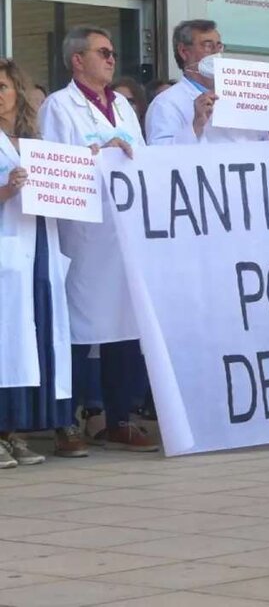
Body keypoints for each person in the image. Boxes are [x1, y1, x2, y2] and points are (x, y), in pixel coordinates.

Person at [38, 25, 158, 452]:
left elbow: (142, 158)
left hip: (123, 231)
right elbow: (54, 166)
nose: (111, 59)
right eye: (103, 52)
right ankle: (67, 423)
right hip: (83, 235)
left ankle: (119, 417)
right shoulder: (59, 106)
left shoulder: (123, 107)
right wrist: (95, 154)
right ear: (77, 60)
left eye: (111, 53)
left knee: (126, 324)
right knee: (77, 328)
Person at [0, 58, 83, 464]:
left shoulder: (35, 142)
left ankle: (14, 431)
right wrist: (6, 190)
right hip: (7, 254)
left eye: (1, 86)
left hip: (37, 251)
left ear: (17, 91)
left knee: (30, 340)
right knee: (5, 343)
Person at [145, 19, 269, 145]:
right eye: (208, 46)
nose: (216, 53)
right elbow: (161, 158)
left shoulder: (239, 94)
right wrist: (196, 126)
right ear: (184, 52)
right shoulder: (166, 104)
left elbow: (263, 143)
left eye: (219, 46)